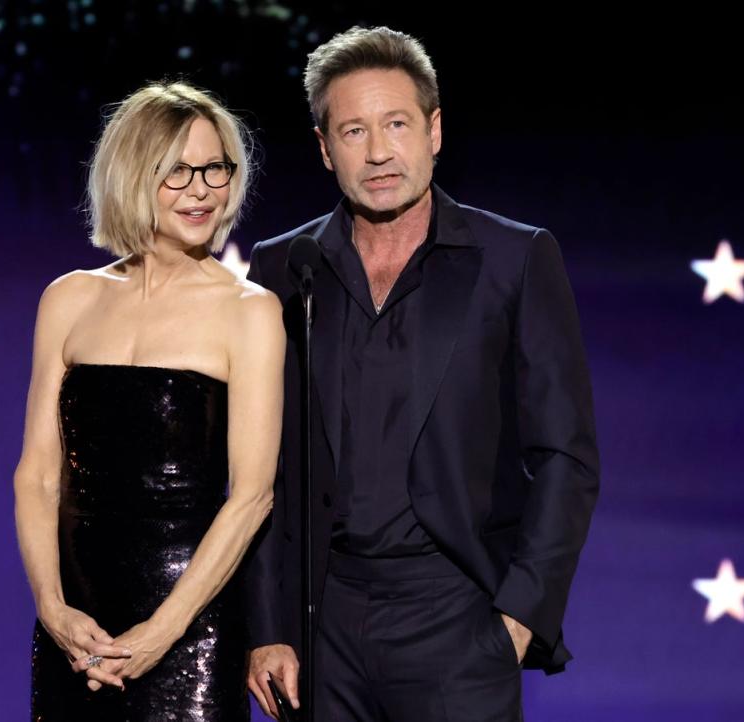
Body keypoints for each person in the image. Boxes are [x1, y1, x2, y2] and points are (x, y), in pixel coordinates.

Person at [245, 26, 600, 721]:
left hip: (457, 619)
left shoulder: (514, 258)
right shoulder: (282, 268)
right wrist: (268, 626)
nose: (378, 152)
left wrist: (519, 616)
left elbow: (566, 455)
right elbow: (264, 472)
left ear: (433, 131)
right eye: (352, 131)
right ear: (323, 148)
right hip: (322, 629)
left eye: (396, 124)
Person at [13, 80, 284, 720]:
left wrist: (162, 632)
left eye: (216, 168)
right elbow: (38, 475)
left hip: (191, 629)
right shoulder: (68, 298)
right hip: (74, 631)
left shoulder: (249, 311)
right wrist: (52, 608)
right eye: (177, 171)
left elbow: (252, 496)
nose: (202, 189)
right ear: (134, 174)